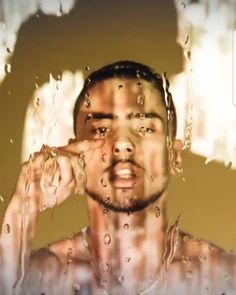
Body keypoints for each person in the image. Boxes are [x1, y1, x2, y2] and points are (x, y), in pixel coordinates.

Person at [0, 60, 235, 295]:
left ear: (173, 155)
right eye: (101, 129)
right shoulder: (41, 278)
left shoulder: (222, 278)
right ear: (76, 153)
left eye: (144, 128)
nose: (122, 144)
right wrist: (23, 206)